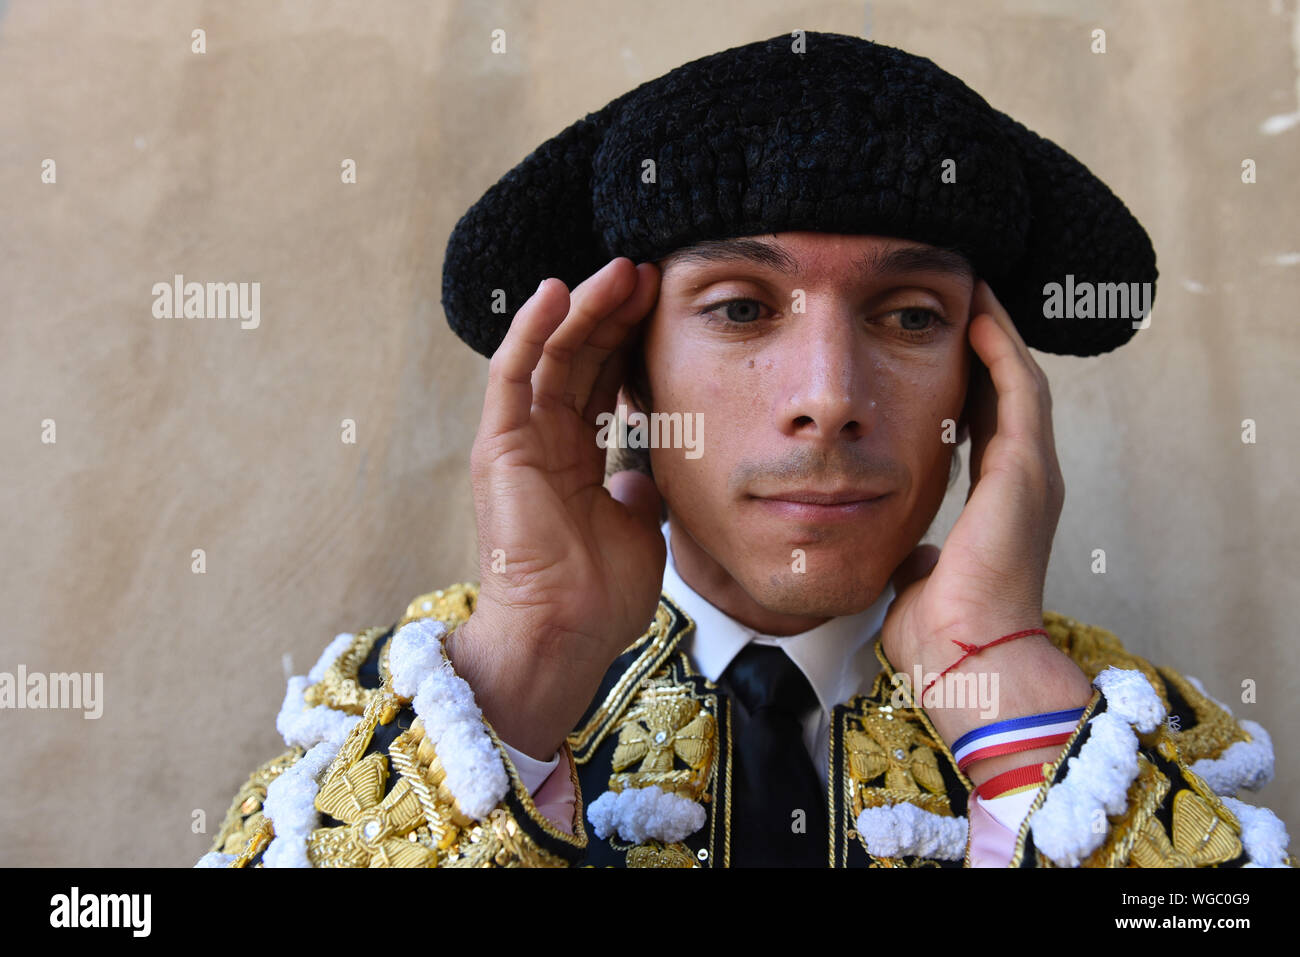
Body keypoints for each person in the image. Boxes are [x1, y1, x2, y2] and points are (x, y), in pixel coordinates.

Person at [198, 31, 1292, 868]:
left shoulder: (1084, 717)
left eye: (910, 317)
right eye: (737, 309)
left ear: (984, 380)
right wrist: (528, 660)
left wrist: (997, 683)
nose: (827, 398)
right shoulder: (449, 701)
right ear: (622, 364)